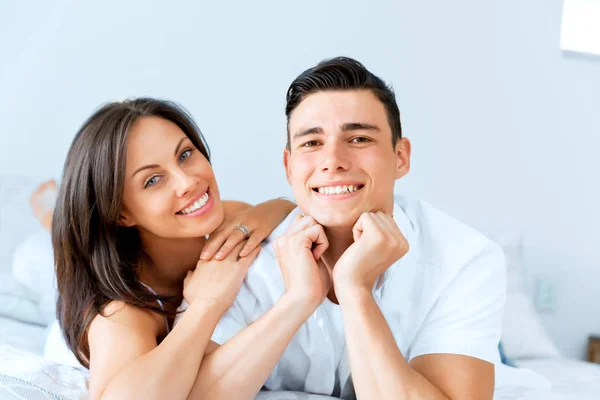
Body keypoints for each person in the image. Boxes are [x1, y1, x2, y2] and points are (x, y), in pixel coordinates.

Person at [180, 57, 507, 400]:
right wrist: (298, 300)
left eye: (359, 139)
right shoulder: (242, 259)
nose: (333, 160)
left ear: (401, 157)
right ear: (289, 167)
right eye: (311, 143)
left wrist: (354, 291)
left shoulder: (464, 258)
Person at [51, 98, 296, 399]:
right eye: (153, 180)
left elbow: (288, 211)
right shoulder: (121, 314)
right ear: (120, 214)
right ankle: (45, 207)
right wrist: (207, 303)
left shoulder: (230, 220)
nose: (187, 182)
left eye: (184, 154)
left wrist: (274, 207)